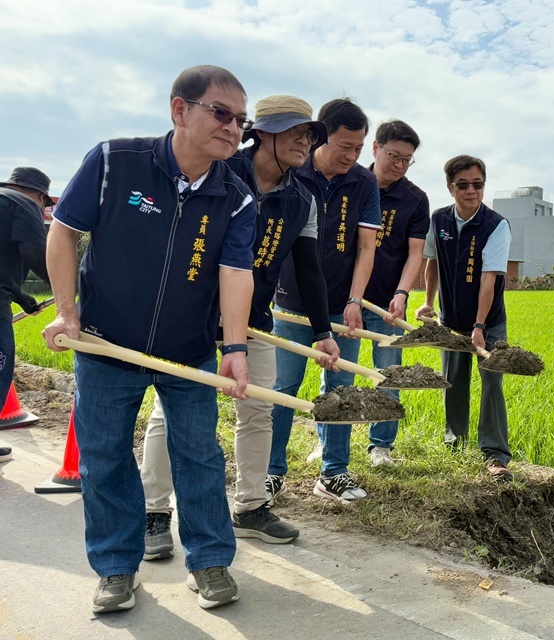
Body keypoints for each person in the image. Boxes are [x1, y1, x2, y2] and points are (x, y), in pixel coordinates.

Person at [42, 65, 257, 613]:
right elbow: (64, 230)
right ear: (179, 109)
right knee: (104, 458)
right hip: (107, 344)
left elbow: (236, 273)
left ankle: (209, 562)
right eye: (221, 113)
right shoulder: (115, 161)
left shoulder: (235, 196)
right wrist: (68, 314)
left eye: (241, 120)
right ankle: (116, 567)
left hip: (186, 351)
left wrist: (233, 350)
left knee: (199, 456)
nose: (234, 128)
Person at [139, 95, 341, 561]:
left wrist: (321, 330)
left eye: (309, 134)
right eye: (294, 130)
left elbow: (308, 270)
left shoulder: (302, 199)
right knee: (169, 412)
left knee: (258, 412)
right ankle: (153, 511)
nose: (304, 142)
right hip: (192, 315)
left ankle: (250, 506)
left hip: (254, 319)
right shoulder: (220, 172)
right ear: (261, 132)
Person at [269, 98, 380, 504]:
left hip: (340, 305)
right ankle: (270, 471)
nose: (351, 156)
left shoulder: (365, 184)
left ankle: (333, 472)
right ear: (321, 136)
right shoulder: (294, 172)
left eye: (358, 148)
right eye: (343, 146)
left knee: (341, 389)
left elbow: (366, 248)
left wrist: (356, 299)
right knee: (283, 387)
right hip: (290, 303)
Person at [416, 155, 514, 479]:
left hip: (490, 322)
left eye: (478, 184)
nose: (471, 191)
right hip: (451, 318)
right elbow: (431, 261)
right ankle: (454, 443)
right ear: (450, 187)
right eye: (463, 185)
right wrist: (429, 302)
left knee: (491, 384)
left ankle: (495, 455)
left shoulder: (496, 225)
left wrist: (480, 326)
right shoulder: (439, 220)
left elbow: (489, 277)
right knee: (453, 382)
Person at [360, 119, 429, 467]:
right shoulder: (352, 184)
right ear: (375, 148)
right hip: (346, 299)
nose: (400, 165)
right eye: (394, 156)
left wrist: (402, 293)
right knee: (334, 372)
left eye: (407, 159)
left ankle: (381, 445)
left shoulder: (415, 199)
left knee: (388, 373)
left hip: (388, 300)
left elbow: (415, 253)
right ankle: (329, 441)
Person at [1, 167, 53, 459]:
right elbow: (35, 254)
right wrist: (66, 288)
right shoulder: (24, 205)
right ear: (40, 196)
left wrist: (20, 297)